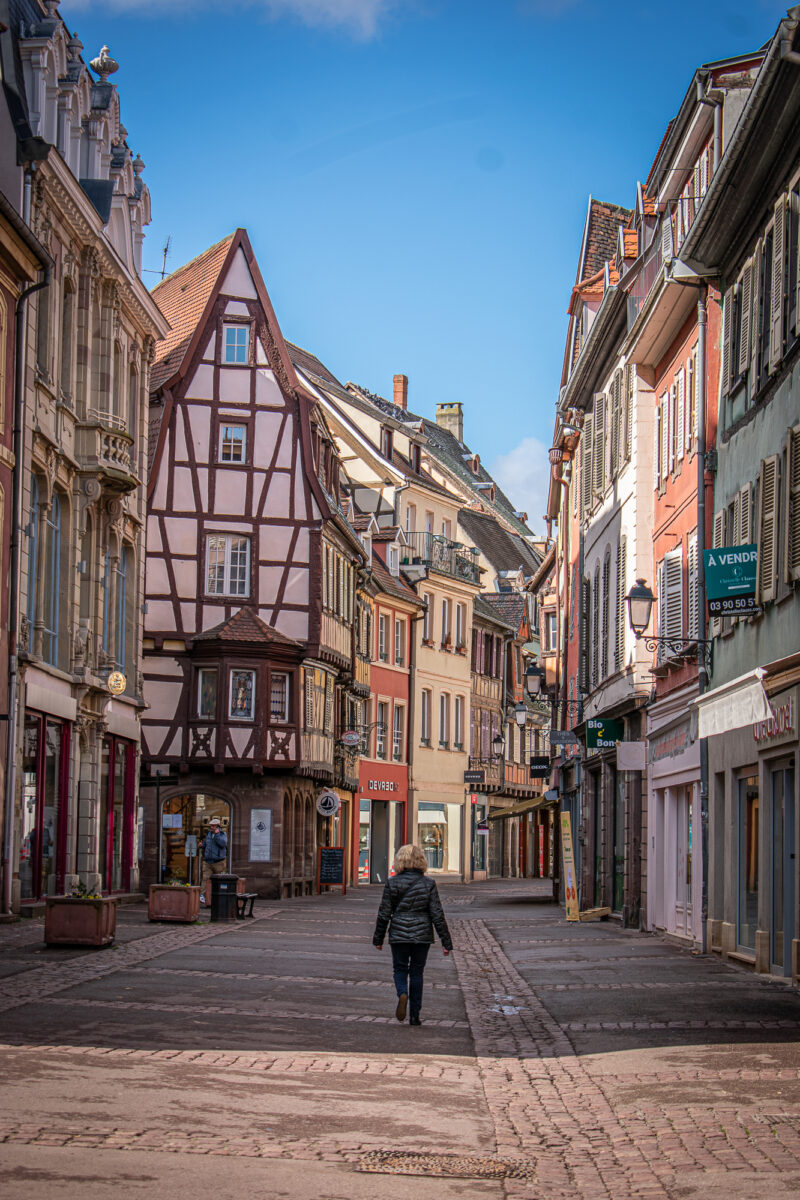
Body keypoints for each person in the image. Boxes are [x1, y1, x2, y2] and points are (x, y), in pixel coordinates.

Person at [373, 843, 453, 1026]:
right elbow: (437, 914)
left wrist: (378, 939)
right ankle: (415, 1015)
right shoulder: (429, 884)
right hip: (422, 934)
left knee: (400, 969)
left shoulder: (392, 883)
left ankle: (402, 992)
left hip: (399, 933)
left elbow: (384, 913)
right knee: (417, 972)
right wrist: (445, 942)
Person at [199, 817, 228, 904]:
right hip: (208, 861)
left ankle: (220, 897)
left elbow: (223, 844)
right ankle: (202, 895)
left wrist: (217, 835)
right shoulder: (208, 834)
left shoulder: (222, 834)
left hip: (218, 862)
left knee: (219, 880)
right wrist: (202, 845)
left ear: (217, 826)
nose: (211, 827)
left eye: (213, 826)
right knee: (205, 878)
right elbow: (207, 844)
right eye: (211, 826)